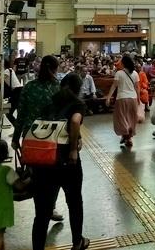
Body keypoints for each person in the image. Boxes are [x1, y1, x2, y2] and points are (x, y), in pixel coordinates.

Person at [30, 73, 89, 250]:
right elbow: (75, 120)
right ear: (78, 89)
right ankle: (77, 242)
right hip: (66, 161)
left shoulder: (49, 102)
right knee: (74, 202)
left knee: (42, 211)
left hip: (44, 159)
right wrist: (72, 149)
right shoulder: (77, 104)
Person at [11, 55, 64, 223]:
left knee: (35, 175)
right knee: (55, 175)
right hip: (53, 137)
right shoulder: (58, 88)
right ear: (55, 69)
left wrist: (15, 137)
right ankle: (51, 207)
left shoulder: (29, 87)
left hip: (31, 136)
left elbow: (21, 114)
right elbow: (64, 115)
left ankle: (41, 209)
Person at [106, 55, 141, 148]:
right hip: (133, 98)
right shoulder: (135, 73)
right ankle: (127, 138)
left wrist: (108, 97)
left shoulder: (119, 73)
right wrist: (139, 98)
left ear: (124, 63)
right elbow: (137, 87)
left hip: (121, 98)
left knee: (121, 118)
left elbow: (114, 86)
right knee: (131, 118)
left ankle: (125, 136)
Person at [2, 60, 23, 126]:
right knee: (17, 112)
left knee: (8, 112)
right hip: (19, 91)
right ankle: (18, 129)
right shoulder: (10, 70)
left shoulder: (6, 71)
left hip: (16, 92)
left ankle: (17, 128)